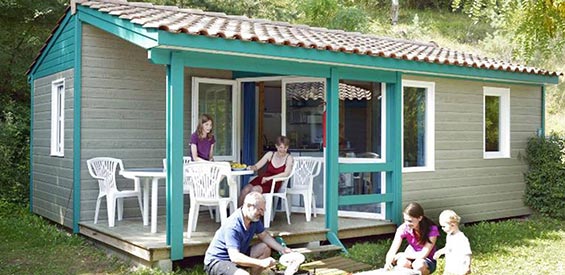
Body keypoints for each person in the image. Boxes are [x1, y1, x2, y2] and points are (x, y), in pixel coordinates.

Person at [204, 192, 292, 275]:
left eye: (263, 210)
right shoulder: (233, 226)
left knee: (265, 248)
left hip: (237, 254)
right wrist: (261, 263)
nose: (262, 213)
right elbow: (235, 257)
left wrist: (282, 249)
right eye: (260, 210)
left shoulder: (254, 219)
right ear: (249, 206)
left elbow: (264, 236)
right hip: (218, 261)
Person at [385, 202, 440, 275]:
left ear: (420, 218)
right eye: (405, 220)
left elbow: (423, 255)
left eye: (410, 221)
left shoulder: (431, 229)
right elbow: (392, 249)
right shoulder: (403, 228)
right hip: (410, 256)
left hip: (427, 260)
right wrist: (388, 262)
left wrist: (403, 254)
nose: (407, 223)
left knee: (418, 265)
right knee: (402, 263)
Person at [239, 136, 294, 206]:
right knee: (245, 190)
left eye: (285, 148)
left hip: (274, 183)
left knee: (254, 190)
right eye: (281, 147)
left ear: (287, 147)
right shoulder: (270, 154)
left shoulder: (289, 158)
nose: (283, 150)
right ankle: (239, 214)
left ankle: (252, 215)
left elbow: (286, 173)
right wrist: (250, 167)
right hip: (263, 179)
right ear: (276, 146)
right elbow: (257, 166)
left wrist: (269, 178)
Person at [433, 210, 472, 275]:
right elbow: (448, 248)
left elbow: (467, 253)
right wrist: (439, 252)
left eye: (444, 226)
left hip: (460, 267)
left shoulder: (461, 238)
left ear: (452, 225)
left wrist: (467, 266)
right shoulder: (449, 235)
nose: (442, 228)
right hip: (450, 266)